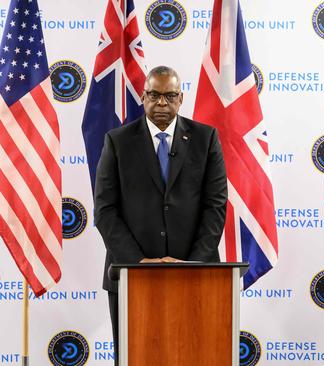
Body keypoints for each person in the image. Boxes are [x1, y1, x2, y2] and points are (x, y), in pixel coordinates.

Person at [94, 66, 227, 363]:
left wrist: (192, 265)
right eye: (154, 95)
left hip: (196, 275)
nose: (162, 103)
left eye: (169, 96)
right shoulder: (118, 141)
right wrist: (138, 263)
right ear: (143, 97)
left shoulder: (206, 139)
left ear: (181, 98)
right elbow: (105, 210)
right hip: (130, 274)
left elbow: (215, 207)